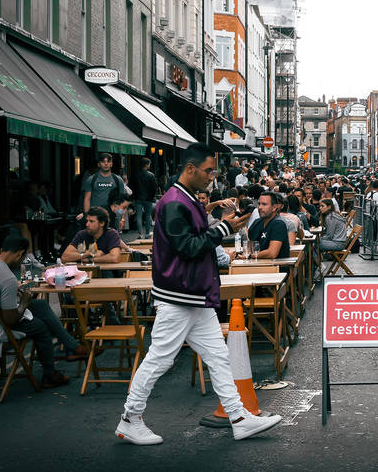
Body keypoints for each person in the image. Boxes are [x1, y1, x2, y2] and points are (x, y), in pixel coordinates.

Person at [115, 144, 281, 445]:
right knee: (159, 360)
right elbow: (188, 247)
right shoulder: (176, 202)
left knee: (218, 356)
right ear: (190, 169)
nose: (211, 177)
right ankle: (130, 418)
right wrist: (224, 228)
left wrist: (224, 228)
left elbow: (192, 242)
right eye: (208, 171)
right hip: (180, 294)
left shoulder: (182, 199)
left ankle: (239, 417)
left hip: (188, 293)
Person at [0, 236, 91, 388]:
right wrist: (24, 302)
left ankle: (74, 346)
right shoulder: (7, 277)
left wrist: (18, 297)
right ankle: (50, 375)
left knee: (40, 305)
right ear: (20, 254)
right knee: (40, 327)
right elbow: (10, 319)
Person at [248, 192, 291, 259]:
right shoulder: (256, 223)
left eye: (264, 204)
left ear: (274, 207)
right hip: (256, 265)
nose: (260, 207)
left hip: (276, 267)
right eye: (259, 204)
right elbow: (250, 247)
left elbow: (272, 253)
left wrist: (251, 256)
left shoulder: (278, 224)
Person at [136, 158, 158, 240]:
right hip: (148, 198)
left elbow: (133, 186)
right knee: (148, 215)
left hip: (138, 197)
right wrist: (152, 197)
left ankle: (140, 234)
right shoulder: (151, 175)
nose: (149, 165)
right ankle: (147, 233)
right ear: (146, 164)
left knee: (139, 215)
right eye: (149, 164)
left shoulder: (136, 174)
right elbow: (154, 188)